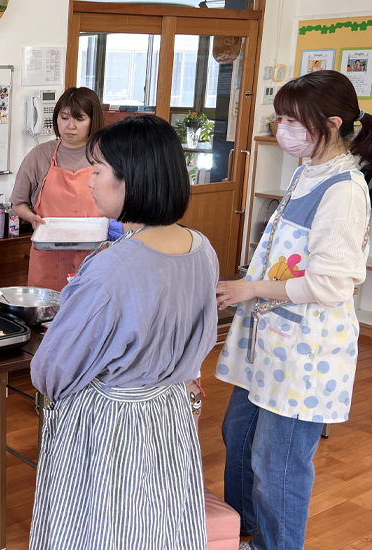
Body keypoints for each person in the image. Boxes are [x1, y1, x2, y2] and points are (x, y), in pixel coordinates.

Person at [28, 115, 217, 549]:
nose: (89, 182)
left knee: (100, 524)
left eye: (98, 171)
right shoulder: (201, 249)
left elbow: (53, 369)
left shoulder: (112, 267)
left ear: (128, 181)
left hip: (110, 423)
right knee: (159, 522)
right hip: (169, 415)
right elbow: (202, 337)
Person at [215, 70, 372, 550]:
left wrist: (251, 288)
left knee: (277, 464)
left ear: (332, 123)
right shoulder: (309, 171)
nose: (281, 128)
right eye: (279, 117)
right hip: (272, 338)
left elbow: (330, 283)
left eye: (291, 120)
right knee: (238, 435)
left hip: (307, 350)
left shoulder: (344, 190)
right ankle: (238, 533)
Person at [10, 86, 120, 291]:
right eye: (64, 117)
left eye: (79, 119)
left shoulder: (107, 155)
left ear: (92, 120)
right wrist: (32, 217)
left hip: (94, 257)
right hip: (48, 257)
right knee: (48, 318)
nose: (70, 126)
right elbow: (18, 202)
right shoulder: (39, 156)